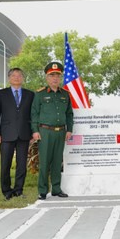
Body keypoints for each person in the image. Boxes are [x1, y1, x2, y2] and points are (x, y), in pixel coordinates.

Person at [31, 62, 73, 200]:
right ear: (47, 78)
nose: (55, 78)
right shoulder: (40, 94)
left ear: (60, 78)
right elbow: (34, 114)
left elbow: (69, 113)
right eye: (52, 75)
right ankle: (43, 190)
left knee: (57, 161)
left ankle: (56, 188)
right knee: (44, 162)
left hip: (60, 131)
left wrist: (69, 129)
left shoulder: (65, 94)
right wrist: (35, 131)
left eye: (57, 76)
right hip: (45, 132)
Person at [0, 68, 35, 200]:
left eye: (19, 75)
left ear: (23, 78)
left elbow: (32, 115)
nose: (17, 78)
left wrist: (33, 132)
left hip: (24, 133)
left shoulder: (30, 94)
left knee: (21, 164)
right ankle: (6, 190)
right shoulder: (1, 94)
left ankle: (18, 189)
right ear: (9, 78)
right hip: (6, 134)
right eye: (14, 76)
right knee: (5, 163)